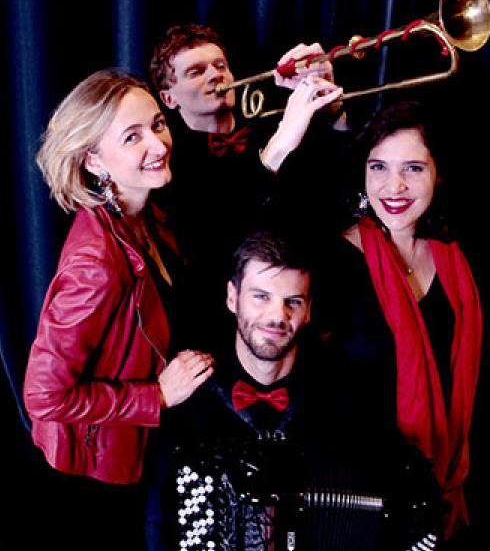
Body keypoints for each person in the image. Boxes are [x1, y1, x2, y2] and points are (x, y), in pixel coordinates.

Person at [144, 230, 443, 551]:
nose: (277, 316)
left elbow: (411, 490)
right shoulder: (192, 398)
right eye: (261, 297)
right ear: (232, 298)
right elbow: (158, 528)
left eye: (293, 302)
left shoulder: (346, 398)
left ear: (308, 310)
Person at [23, 68, 214, 551]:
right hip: (96, 481)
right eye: (132, 137)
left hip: (139, 454)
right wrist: (158, 395)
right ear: (93, 159)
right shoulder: (96, 265)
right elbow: (43, 396)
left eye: (157, 124)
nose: (157, 143)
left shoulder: (142, 216)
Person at [316, 100, 483, 551]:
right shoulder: (335, 261)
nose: (394, 186)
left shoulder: (454, 258)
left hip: (444, 491)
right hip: (363, 505)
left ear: (438, 174)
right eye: (379, 167)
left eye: (413, 168)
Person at [148, 23, 351, 350]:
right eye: (196, 72)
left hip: (310, 316)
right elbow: (221, 239)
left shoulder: (271, 126)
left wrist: (333, 110)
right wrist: (278, 148)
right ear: (168, 98)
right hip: (227, 332)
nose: (215, 75)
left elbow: (337, 190)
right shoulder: (168, 164)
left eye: (220, 65)